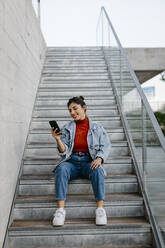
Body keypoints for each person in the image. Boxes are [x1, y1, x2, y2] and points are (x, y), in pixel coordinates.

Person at [51, 96, 111, 226]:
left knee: (98, 170)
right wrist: (58, 139)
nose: (72, 112)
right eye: (70, 110)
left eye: (75, 108)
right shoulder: (67, 128)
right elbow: (64, 151)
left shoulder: (97, 127)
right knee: (61, 169)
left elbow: (106, 145)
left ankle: (100, 209)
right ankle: (60, 210)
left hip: (88, 162)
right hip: (71, 162)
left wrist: (100, 158)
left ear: (84, 108)